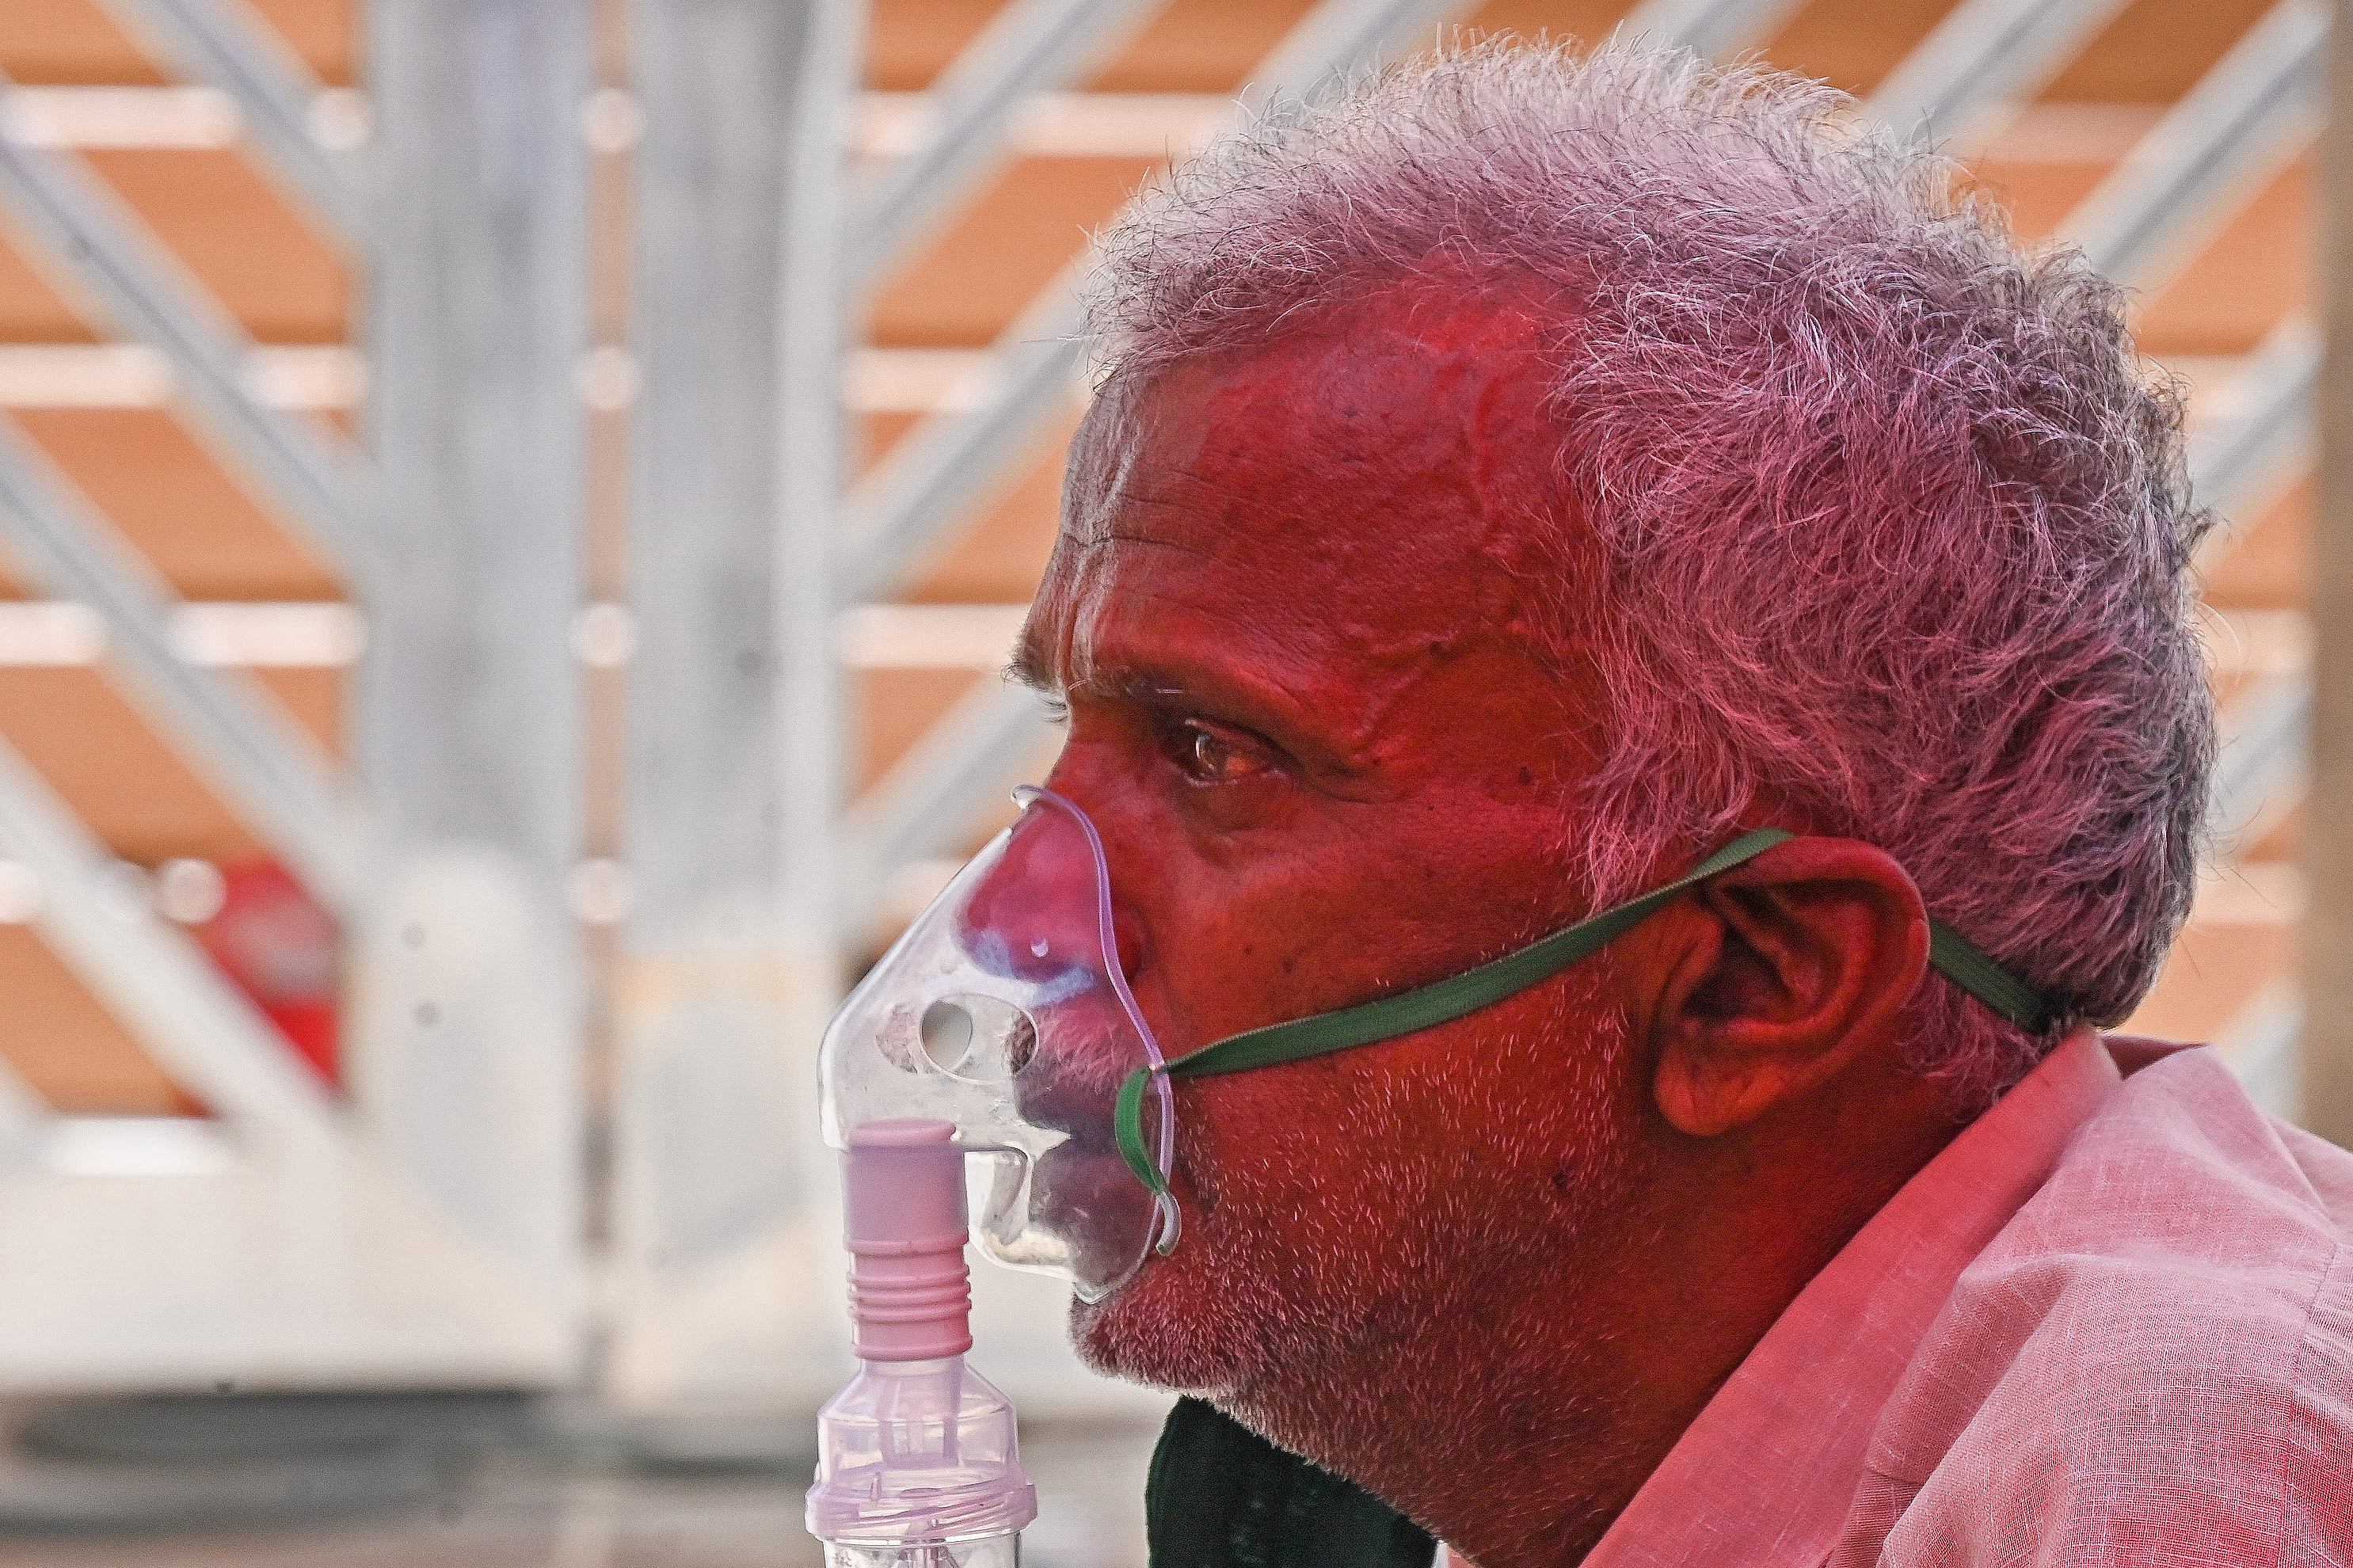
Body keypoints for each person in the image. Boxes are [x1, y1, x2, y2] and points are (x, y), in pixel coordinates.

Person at [1004, 40, 2353, 1568]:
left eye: (1214, 756)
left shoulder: (2180, 1484)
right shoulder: (1395, 1492)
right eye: (1068, 728)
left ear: (1748, 978)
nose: (1016, 922)